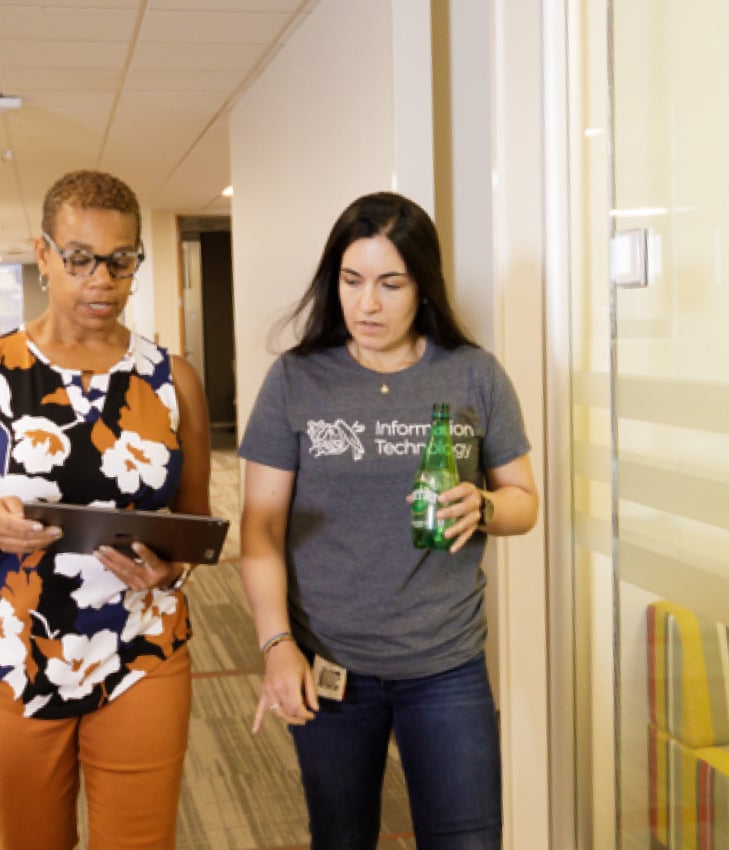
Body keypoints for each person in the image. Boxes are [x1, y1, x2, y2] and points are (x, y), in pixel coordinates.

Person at [239, 191, 539, 849]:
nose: (367, 303)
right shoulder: (296, 380)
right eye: (351, 280)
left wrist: (485, 507)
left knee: (468, 840)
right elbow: (259, 527)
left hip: (446, 663)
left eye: (390, 283)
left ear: (422, 286)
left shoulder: (473, 376)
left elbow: (523, 499)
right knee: (341, 838)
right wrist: (275, 644)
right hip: (331, 661)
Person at [0, 169, 212, 850]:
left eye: (121, 259)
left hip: (142, 647)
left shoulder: (173, 381)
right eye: (80, 258)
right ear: (44, 254)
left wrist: (168, 574)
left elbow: (193, 530)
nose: (101, 279)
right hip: (13, 649)